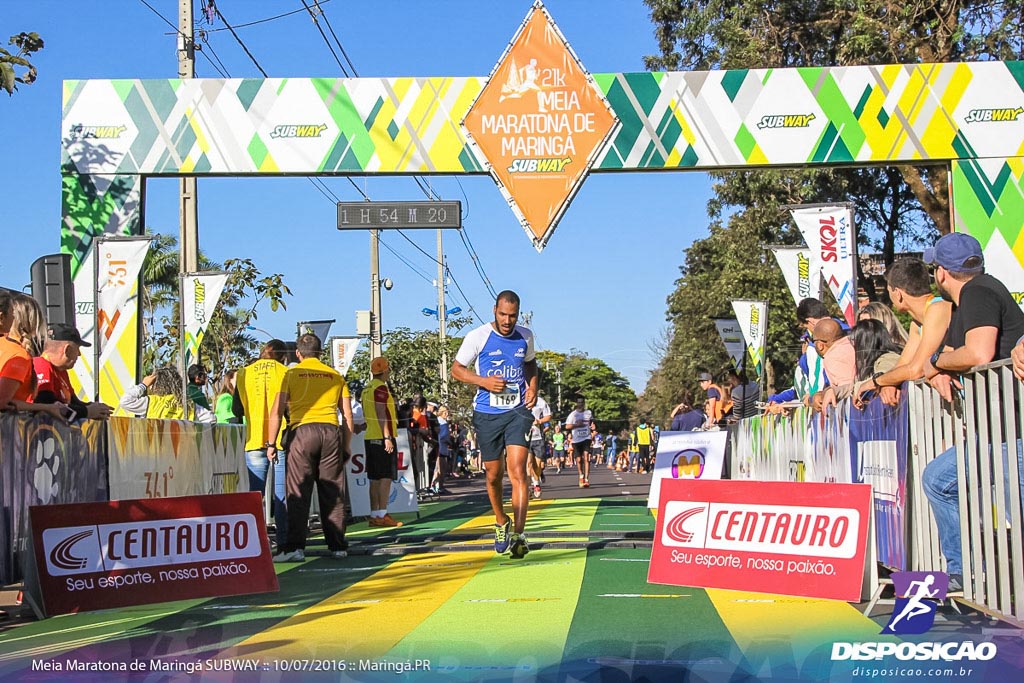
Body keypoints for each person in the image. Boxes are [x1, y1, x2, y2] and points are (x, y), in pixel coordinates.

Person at [920, 233, 1024, 590]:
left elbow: (978, 354)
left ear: (941, 273)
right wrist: (941, 368)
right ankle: (965, 572)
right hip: (994, 433)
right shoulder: (973, 299)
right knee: (937, 479)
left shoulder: (979, 292)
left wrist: (937, 362)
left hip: (1013, 432)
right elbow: (954, 350)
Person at [452, 290, 538, 559]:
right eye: (503, 315)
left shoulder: (525, 336)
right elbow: (457, 369)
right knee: (493, 475)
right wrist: (483, 381)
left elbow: (531, 365)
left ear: (518, 314)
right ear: (494, 311)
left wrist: (533, 386)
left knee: (518, 471)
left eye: (512, 316)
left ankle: (520, 535)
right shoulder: (477, 336)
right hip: (487, 412)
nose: (507, 321)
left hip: (517, 412)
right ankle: (501, 522)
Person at [266, 334, 352, 562]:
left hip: (302, 433)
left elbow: (276, 412)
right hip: (331, 431)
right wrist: (346, 446)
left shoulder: (290, 374)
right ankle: (337, 546)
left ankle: (295, 548)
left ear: (297, 353)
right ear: (320, 352)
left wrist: (271, 443)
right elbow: (348, 416)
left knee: (298, 490)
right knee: (332, 491)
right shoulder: (335, 375)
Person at [862, 258, 952, 406]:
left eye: (888, 290)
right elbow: (903, 364)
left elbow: (915, 370)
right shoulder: (917, 323)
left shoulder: (938, 309)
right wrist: (888, 383)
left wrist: (875, 382)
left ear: (898, 293)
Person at [233, 340, 290, 550]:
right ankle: (284, 543)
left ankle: (254, 542)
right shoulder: (285, 372)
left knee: (255, 495)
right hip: (280, 439)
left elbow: (237, 410)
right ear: (283, 356)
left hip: (254, 438)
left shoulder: (243, 373)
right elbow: (289, 408)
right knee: (281, 493)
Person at [0, 294, 66, 420]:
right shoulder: (19, 356)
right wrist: (47, 408)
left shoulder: (7, 347)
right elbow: (3, 401)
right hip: (9, 430)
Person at [32, 323, 113, 420]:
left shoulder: (61, 371)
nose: (79, 354)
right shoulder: (41, 364)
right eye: (77, 349)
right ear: (67, 350)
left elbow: (74, 403)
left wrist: (97, 409)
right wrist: (87, 411)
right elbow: (46, 403)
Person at [360, 355, 403, 527]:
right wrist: (387, 437)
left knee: (374, 478)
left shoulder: (367, 388)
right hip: (381, 436)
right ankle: (383, 514)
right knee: (385, 476)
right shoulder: (381, 388)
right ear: (385, 370)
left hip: (370, 436)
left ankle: (375, 514)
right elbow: (380, 413)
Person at [119, 367, 216, 422]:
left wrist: (143, 385)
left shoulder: (152, 402)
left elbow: (125, 401)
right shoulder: (187, 404)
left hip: (156, 451)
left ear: (157, 384)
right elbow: (212, 419)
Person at [565, 397, 594, 488]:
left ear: (584, 403)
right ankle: (581, 475)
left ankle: (586, 479)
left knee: (586, 457)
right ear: (576, 403)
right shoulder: (573, 415)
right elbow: (567, 426)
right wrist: (577, 425)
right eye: (579, 402)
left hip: (587, 438)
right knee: (578, 459)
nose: (580, 404)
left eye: (582, 402)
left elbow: (592, 423)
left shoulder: (588, 413)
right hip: (576, 439)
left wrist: (593, 426)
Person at [527, 394, 551, 499]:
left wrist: (539, 421)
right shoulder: (518, 399)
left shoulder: (540, 401)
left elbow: (548, 415)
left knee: (537, 465)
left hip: (538, 438)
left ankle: (536, 482)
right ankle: (528, 488)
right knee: (528, 464)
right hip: (525, 438)